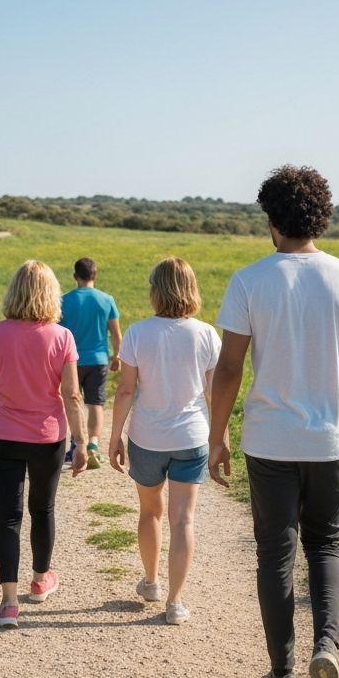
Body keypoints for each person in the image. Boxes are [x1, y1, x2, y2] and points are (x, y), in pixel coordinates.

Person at [208, 165, 339, 678]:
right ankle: (327, 647)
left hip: (269, 441)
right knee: (326, 542)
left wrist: (216, 436)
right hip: (333, 440)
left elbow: (229, 369)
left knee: (275, 553)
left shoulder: (249, 280)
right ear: (320, 218)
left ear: (271, 220)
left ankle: (282, 677)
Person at [0, 260, 89, 629]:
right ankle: (39, 581)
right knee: (43, 508)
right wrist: (82, 441)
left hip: (2, 436)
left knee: (8, 516)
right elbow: (72, 395)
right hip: (47, 438)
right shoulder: (62, 336)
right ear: (51, 293)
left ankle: (8, 603)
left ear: (14, 291)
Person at [108, 257, 220, 625]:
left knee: (150, 512)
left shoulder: (138, 333)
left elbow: (125, 390)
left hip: (146, 437)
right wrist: (222, 438)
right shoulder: (206, 334)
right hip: (192, 437)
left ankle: (152, 582)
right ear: (191, 289)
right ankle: (175, 603)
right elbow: (213, 394)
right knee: (183, 520)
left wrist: (114, 437)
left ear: (156, 290)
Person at [59, 257, 121, 469]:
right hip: (99, 359)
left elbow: (56, 334)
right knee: (96, 403)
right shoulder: (107, 299)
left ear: (75, 275)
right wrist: (117, 356)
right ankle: (93, 444)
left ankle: (75, 445)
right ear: (95, 274)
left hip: (70, 361)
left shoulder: (63, 301)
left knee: (71, 401)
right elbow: (115, 333)